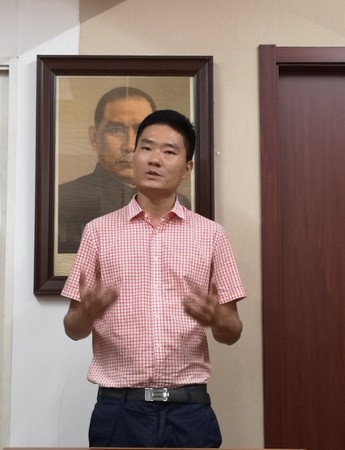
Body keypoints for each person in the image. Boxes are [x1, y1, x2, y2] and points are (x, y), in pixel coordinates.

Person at [62, 109, 246, 448]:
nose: (154, 159)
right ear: (133, 158)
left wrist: (217, 318)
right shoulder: (98, 232)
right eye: (146, 148)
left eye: (169, 151)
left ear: (187, 168)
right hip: (119, 409)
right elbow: (73, 328)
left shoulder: (211, 235)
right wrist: (86, 313)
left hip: (189, 410)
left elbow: (232, 332)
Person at [58, 87, 190, 253]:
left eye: (140, 131)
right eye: (116, 130)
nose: (129, 145)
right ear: (95, 138)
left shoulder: (180, 203)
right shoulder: (65, 198)